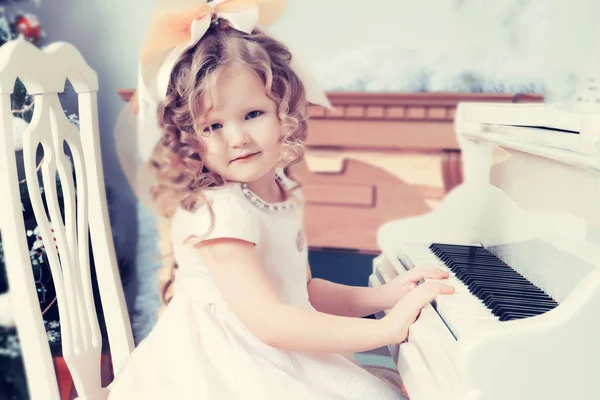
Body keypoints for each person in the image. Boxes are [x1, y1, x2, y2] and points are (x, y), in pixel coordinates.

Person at [109, 1, 454, 398]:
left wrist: (382, 298)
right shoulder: (218, 213)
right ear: (189, 136)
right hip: (222, 369)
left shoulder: (281, 191)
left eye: (253, 114)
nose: (237, 138)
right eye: (214, 125)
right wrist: (384, 329)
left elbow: (302, 292)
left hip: (271, 345)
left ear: (283, 111)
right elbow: (271, 322)